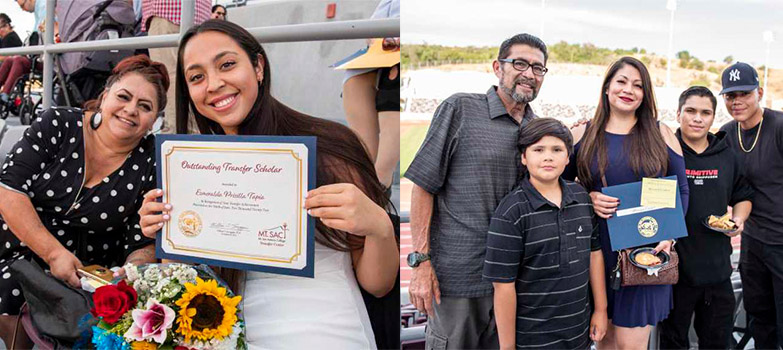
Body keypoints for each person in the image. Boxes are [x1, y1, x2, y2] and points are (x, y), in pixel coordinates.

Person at [136, 20, 398, 349]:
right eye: (197, 77)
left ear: (258, 66)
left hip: (324, 330)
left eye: (227, 64)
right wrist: (167, 236)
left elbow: (378, 285)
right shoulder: (190, 169)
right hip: (226, 331)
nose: (214, 84)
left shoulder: (332, 148)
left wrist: (378, 227)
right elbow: (186, 287)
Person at [0, 54, 168, 348]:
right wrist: (52, 254)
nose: (131, 110)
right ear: (104, 96)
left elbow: (141, 240)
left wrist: (126, 276)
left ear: (154, 120)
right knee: (12, 286)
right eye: (124, 97)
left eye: (145, 107)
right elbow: (8, 189)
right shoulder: (58, 124)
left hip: (84, 272)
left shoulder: (151, 161)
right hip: (15, 241)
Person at [405, 33, 546, 349]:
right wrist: (421, 263)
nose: (529, 73)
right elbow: (423, 186)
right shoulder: (460, 109)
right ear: (498, 67)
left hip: (513, 283)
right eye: (520, 63)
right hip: (458, 281)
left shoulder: (538, 131)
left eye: (538, 68)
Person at [563, 56, 689, 350]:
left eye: (638, 85)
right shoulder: (582, 133)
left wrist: (669, 235)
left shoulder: (660, 133)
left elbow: (681, 189)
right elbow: (558, 189)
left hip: (644, 252)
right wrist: (588, 198)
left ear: (645, 94)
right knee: (604, 343)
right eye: (621, 81)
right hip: (595, 254)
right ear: (607, 87)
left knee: (631, 345)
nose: (628, 90)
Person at [483, 118, 607, 349]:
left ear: (568, 157)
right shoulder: (512, 212)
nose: (548, 157)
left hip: (578, 335)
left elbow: (594, 254)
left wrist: (600, 310)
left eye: (557, 150)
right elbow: (503, 287)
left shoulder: (581, 197)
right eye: (538, 150)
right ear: (523, 157)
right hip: (532, 339)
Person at [658, 86, 753, 349]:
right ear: (678, 114)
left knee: (717, 343)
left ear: (713, 118)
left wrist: (739, 221)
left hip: (716, 271)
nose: (697, 118)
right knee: (673, 342)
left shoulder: (727, 155)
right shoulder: (664, 153)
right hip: (674, 273)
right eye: (690, 111)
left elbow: (742, 195)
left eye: (705, 112)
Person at [717, 62, 783, 349]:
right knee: (760, 320)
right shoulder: (727, 133)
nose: (737, 101)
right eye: (730, 95)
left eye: (743, 94)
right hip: (753, 242)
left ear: (759, 93)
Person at [342, 0, 399, 190]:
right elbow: (372, 27)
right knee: (354, 77)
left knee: (394, 78)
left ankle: (382, 178)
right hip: (387, 47)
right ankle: (366, 167)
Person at [141, 0, 211, 133]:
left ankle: (175, 135)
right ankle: (193, 133)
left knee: (171, 78)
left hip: (167, 12)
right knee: (196, 77)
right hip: (200, 16)